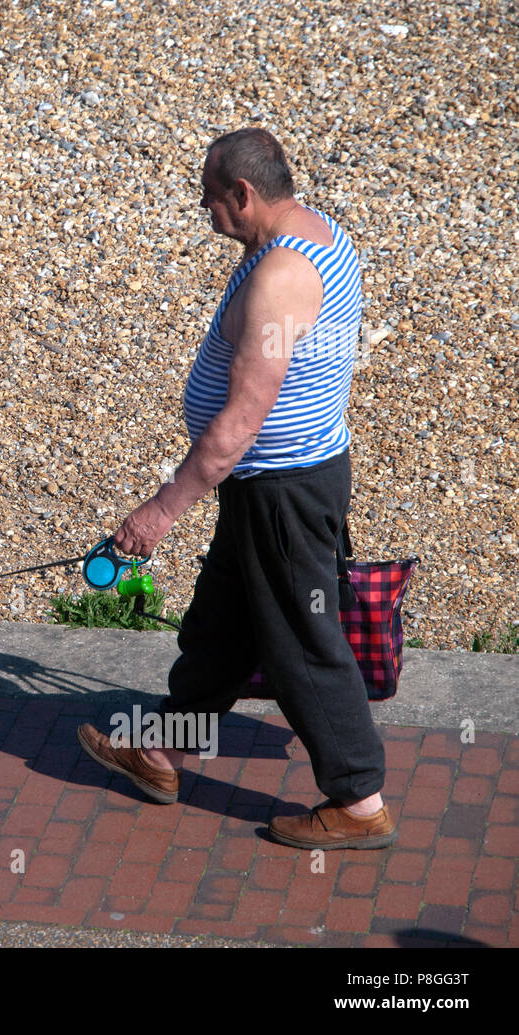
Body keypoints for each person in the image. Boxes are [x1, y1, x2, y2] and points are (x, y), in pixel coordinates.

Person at [75, 128, 396, 849]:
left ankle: (360, 799)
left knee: (302, 645)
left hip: (283, 489)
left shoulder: (281, 274)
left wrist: (159, 511)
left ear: (244, 194)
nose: (204, 211)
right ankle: (163, 753)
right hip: (277, 483)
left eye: (209, 199)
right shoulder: (317, 230)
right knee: (220, 626)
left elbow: (238, 424)